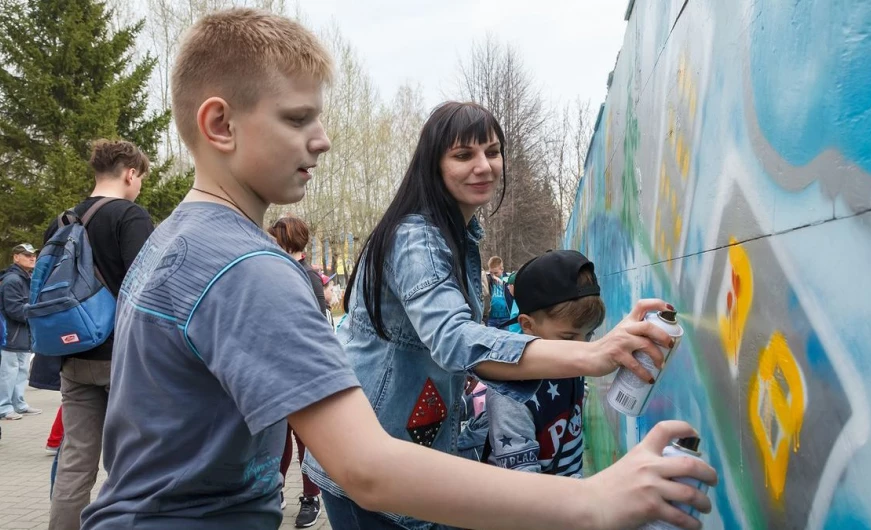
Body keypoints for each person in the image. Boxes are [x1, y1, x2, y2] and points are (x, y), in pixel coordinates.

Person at [81, 10, 716, 530]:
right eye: (299, 118)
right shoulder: (252, 269)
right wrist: (593, 500)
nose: (323, 139)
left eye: (492, 152)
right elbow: (368, 465)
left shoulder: (177, 239)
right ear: (220, 123)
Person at [303, 100, 711, 530]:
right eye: (463, 155)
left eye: (492, 152)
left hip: (416, 459)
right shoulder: (416, 238)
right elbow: (455, 340)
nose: (484, 166)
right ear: (433, 165)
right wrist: (594, 357)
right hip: (372, 470)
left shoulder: (458, 237)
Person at [45, 139, 155, 530]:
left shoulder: (60, 222)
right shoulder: (130, 216)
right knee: (130, 463)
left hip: (73, 358)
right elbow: (145, 291)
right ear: (130, 173)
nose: (139, 184)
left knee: (75, 462)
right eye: (140, 177)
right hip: (121, 359)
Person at [485, 250, 604, 477]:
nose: (583, 349)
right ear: (527, 325)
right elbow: (523, 488)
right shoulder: (510, 393)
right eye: (568, 338)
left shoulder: (571, 361)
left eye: (589, 335)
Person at [268, 215, 325, 528]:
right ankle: (275, 491)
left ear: (288, 242)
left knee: (306, 439)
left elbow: (316, 324)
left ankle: (311, 496)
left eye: (276, 239)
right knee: (277, 440)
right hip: (275, 371)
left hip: (303, 373)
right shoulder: (273, 271)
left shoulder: (308, 276)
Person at [0, 243, 41, 421]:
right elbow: (14, 309)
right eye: (27, 255)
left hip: (23, 335)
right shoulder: (13, 280)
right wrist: (37, 312)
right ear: (16, 257)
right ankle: (4, 407)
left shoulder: (27, 278)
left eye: (33, 255)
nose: (32, 257)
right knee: (8, 372)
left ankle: (19, 404)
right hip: (10, 334)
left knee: (22, 371)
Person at [482, 256, 510, 327]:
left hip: (506, 318)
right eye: (491, 273)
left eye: (496, 273)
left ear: (502, 269)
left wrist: (501, 282)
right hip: (491, 318)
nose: (493, 275)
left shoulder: (508, 279)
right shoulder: (487, 279)